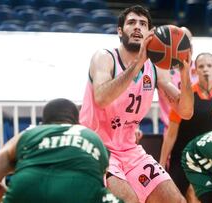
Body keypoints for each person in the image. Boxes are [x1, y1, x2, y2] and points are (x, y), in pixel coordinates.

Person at [79, 5, 193, 203]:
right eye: (131, 23)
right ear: (120, 31)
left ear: (150, 33)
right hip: (98, 148)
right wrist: (137, 64)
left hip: (131, 151)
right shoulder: (104, 58)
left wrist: (185, 75)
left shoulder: (156, 68)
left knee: (176, 200)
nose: (138, 27)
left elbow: (186, 112)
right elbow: (101, 97)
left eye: (143, 24)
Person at [0, 98, 122, 203]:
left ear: (43, 123)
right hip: (81, 189)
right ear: (76, 122)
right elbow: (99, 175)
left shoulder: (31, 132)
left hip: (26, 185)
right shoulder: (89, 134)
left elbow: (1, 159)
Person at [159, 52, 212, 202]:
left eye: (209, 65)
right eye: (201, 66)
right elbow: (171, 133)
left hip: (208, 159)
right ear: (196, 70)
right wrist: (161, 163)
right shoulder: (185, 97)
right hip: (181, 158)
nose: (205, 69)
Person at [157, 26, 197, 137]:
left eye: (185, 40)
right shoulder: (163, 68)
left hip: (195, 128)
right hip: (170, 128)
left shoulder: (200, 68)